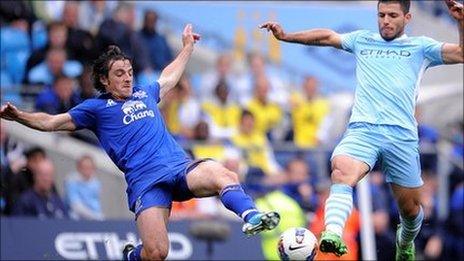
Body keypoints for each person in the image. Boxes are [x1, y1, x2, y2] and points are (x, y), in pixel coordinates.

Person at [1, 24, 280, 260]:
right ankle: (133, 255)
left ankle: (251, 216)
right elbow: (51, 122)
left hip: (178, 168)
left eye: (129, 71)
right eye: (119, 74)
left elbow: (169, 76)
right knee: (157, 252)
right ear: (104, 80)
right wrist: (19, 116)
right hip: (146, 182)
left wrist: (187, 48)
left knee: (224, 174)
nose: (127, 78)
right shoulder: (95, 109)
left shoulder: (144, 93)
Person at [260, 0, 463, 260]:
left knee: (411, 210)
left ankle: (405, 241)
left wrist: (460, 21)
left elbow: (461, 53)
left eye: (392, 15)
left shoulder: (421, 47)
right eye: (381, 15)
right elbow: (327, 37)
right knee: (342, 170)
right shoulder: (362, 40)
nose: (385, 20)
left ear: (407, 18)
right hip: (363, 129)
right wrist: (286, 36)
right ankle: (332, 232)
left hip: (400, 135)